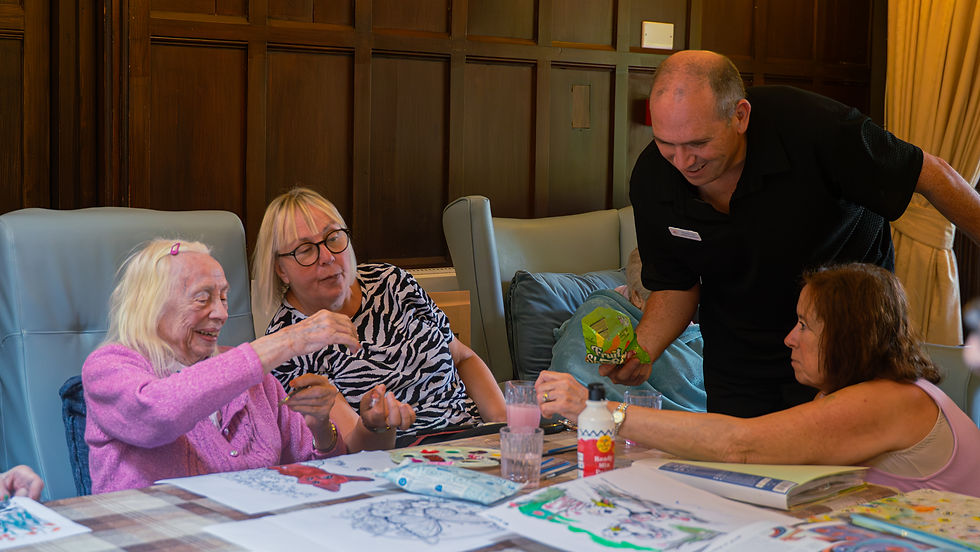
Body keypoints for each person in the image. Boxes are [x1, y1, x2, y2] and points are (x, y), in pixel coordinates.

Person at [611, 49, 980, 417]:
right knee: (736, 465)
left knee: (842, 469)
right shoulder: (653, 179)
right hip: (740, 355)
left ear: (740, 116)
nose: (683, 161)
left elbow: (932, 175)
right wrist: (643, 350)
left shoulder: (816, 128)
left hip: (846, 340)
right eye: (666, 144)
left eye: (698, 144)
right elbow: (676, 284)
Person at [538, 263, 980, 496]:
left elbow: (743, 444)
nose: (789, 339)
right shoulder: (862, 392)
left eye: (805, 326)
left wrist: (597, 410)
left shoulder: (887, 400)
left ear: (847, 337)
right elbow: (754, 443)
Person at [83, 239, 415, 494]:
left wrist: (320, 428)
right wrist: (288, 341)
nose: (221, 313)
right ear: (152, 304)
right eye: (203, 297)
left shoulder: (257, 383)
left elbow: (322, 478)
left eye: (224, 297)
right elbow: (157, 414)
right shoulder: (109, 366)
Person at [253, 188, 506, 437]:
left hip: (475, 438)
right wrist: (377, 425)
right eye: (306, 249)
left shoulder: (391, 282)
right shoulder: (289, 345)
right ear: (281, 270)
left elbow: (463, 357)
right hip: (401, 457)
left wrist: (506, 427)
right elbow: (352, 440)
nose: (328, 257)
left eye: (333, 238)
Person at [549, 248, 705, 411]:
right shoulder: (599, 315)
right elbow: (576, 372)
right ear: (637, 297)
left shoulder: (698, 333)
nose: (684, 312)